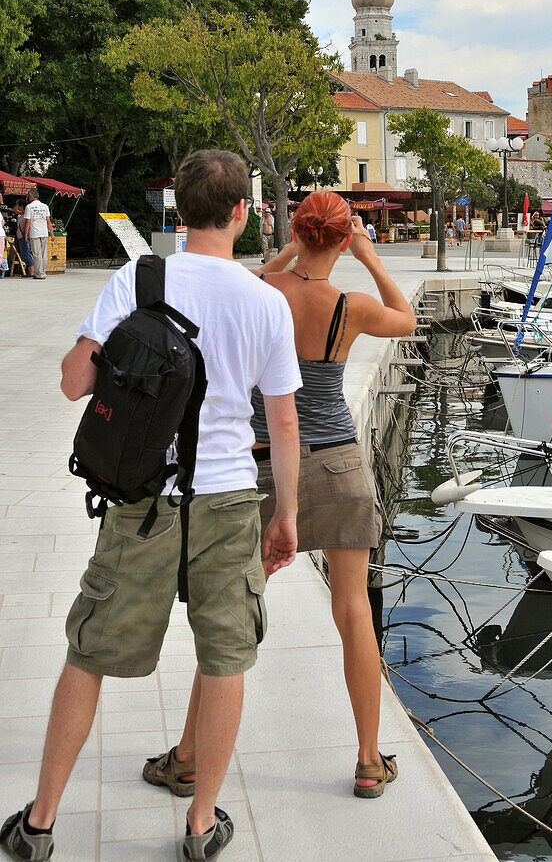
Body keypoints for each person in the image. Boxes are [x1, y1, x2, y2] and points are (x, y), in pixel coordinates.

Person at [0, 150, 302, 862]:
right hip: (229, 502)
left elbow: (76, 382)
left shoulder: (138, 279)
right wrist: (284, 515)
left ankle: (40, 824)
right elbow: (282, 424)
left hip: (142, 499)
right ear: (240, 214)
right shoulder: (266, 300)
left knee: (90, 651)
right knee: (225, 657)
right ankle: (200, 825)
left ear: (178, 207)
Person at [144, 192, 416, 805]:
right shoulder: (351, 306)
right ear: (343, 240)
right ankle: (370, 761)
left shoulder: (264, 293)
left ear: (295, 231)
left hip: (263, 468)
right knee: (353, 612)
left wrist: (297, 244)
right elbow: (407, 319)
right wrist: (368, 257)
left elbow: (259, 272)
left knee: (229, 614)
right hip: (341, 465)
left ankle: (187, 760)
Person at [22, 189, 54, 279]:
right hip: (44, 232)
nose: (27, 198)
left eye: (28, 196)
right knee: (43, 254)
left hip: (35, 233)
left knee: (36, 254)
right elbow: (48, 221)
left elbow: (27, 221)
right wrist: (52, 234)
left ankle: (39, 274)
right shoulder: (45, 206)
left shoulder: (29, 207)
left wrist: (25, 234)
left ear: (31, 196)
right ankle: (43, 272)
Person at [11, 201, 34, 276]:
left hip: (24, 236)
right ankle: (29, 271)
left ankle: (31, 271)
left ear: (22, 207)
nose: (19, 208)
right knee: (24, 253)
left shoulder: (26, 215)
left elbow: (28, 223)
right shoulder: (23, 214)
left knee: (26, 253)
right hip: (21, 236)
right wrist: (17, 204)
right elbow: (14, 210)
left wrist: (26, 234)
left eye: (20, 206)